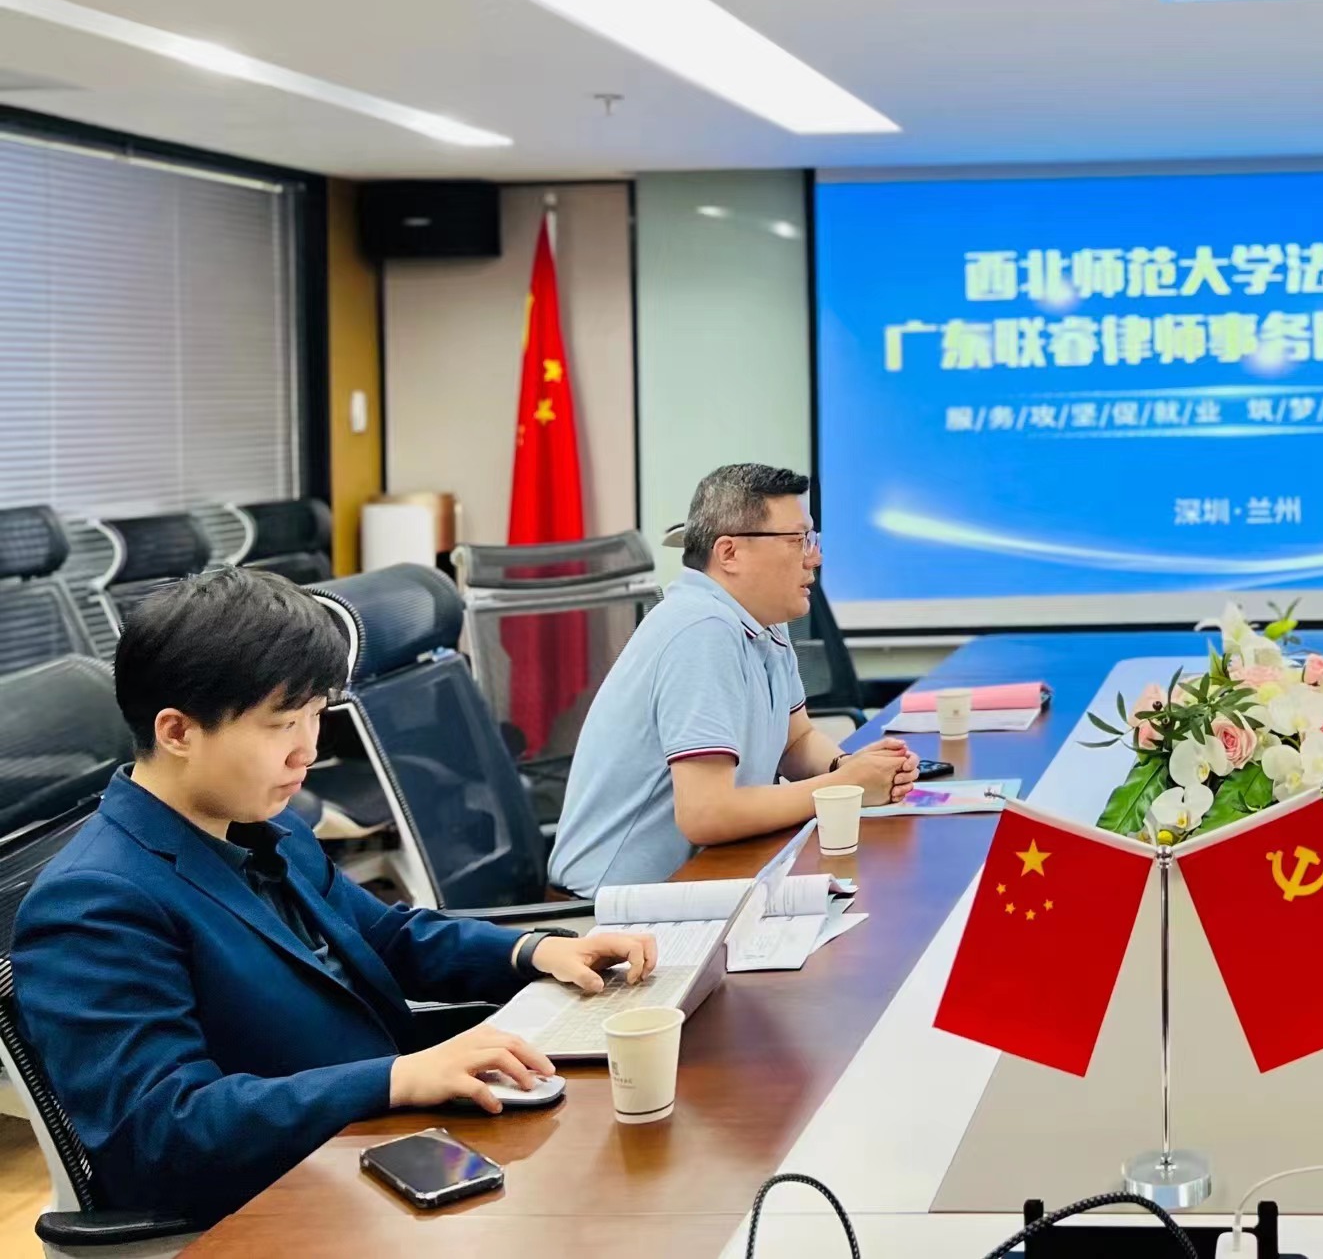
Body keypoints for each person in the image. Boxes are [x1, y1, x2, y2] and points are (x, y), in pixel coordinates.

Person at [11, 569, 659, 1223]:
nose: (307, 752)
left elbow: (383, 938)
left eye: (316, 716)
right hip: (292, 1200)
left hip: (383, 1146)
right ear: (177, 732)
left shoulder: (265, 823)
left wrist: (534, 952)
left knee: (612, 1183)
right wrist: (395, 1079)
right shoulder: (93, 904)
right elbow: (163, 1132)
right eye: (281, 724)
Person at [551, 464, 916, 895]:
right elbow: (706, 814)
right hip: (611, 907)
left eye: (812, 538)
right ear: (729, 553)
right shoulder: (700, 628)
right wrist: (844, 787)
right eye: (797, 540)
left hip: (705, 879)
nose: (814, 557)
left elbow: (795, 741)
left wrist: (847, 767)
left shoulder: (763, 620)